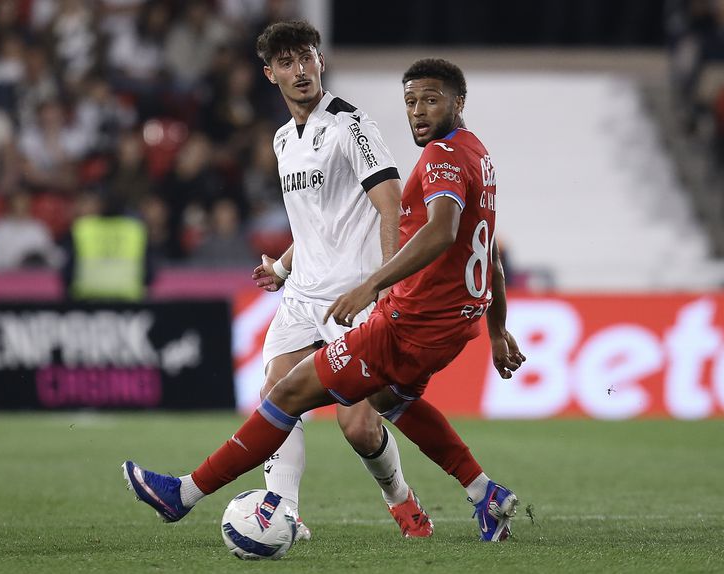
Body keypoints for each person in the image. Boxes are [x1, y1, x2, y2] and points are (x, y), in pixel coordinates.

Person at [123, 56, 526, 542]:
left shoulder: (433, 154)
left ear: (459, 102)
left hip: (408, 323)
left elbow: (440, 231)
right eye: (411, 101)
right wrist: (497, 329)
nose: (418, 111)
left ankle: (184, 494)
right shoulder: (476, 153)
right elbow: (491, 253)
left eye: (431, 100)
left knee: (290, 395)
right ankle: (483, 492)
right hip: (450, 324)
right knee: (384, 401)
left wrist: (372, 284)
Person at [137, 20, 430, 539]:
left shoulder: (350, 126)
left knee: (358, 426)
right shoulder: (281, 140)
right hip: (303, 296)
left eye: (307, 58)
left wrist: (384, 287)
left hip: (356, 296)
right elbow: (317, 222)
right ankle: (285, 515)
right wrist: (283, 267)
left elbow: (390, 207)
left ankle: (403, 502)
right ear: (269, 73)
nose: (301, 70)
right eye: (288, 63)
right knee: (276, 396)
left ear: (320, 61)